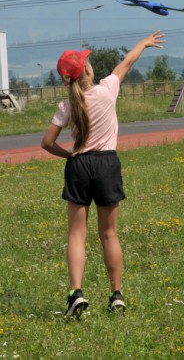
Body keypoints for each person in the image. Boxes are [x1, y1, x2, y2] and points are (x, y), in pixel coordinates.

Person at [41, 31, 166, 317]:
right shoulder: (108, 88)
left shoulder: (67, 105)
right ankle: (116, 295)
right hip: (107, 164)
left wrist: (69, 154)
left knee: (76, 234)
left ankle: (76, 293)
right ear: (87, 69)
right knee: (109, 234)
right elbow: (127, 63)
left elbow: (46, 143)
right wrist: (144, 43)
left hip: (79, 165)